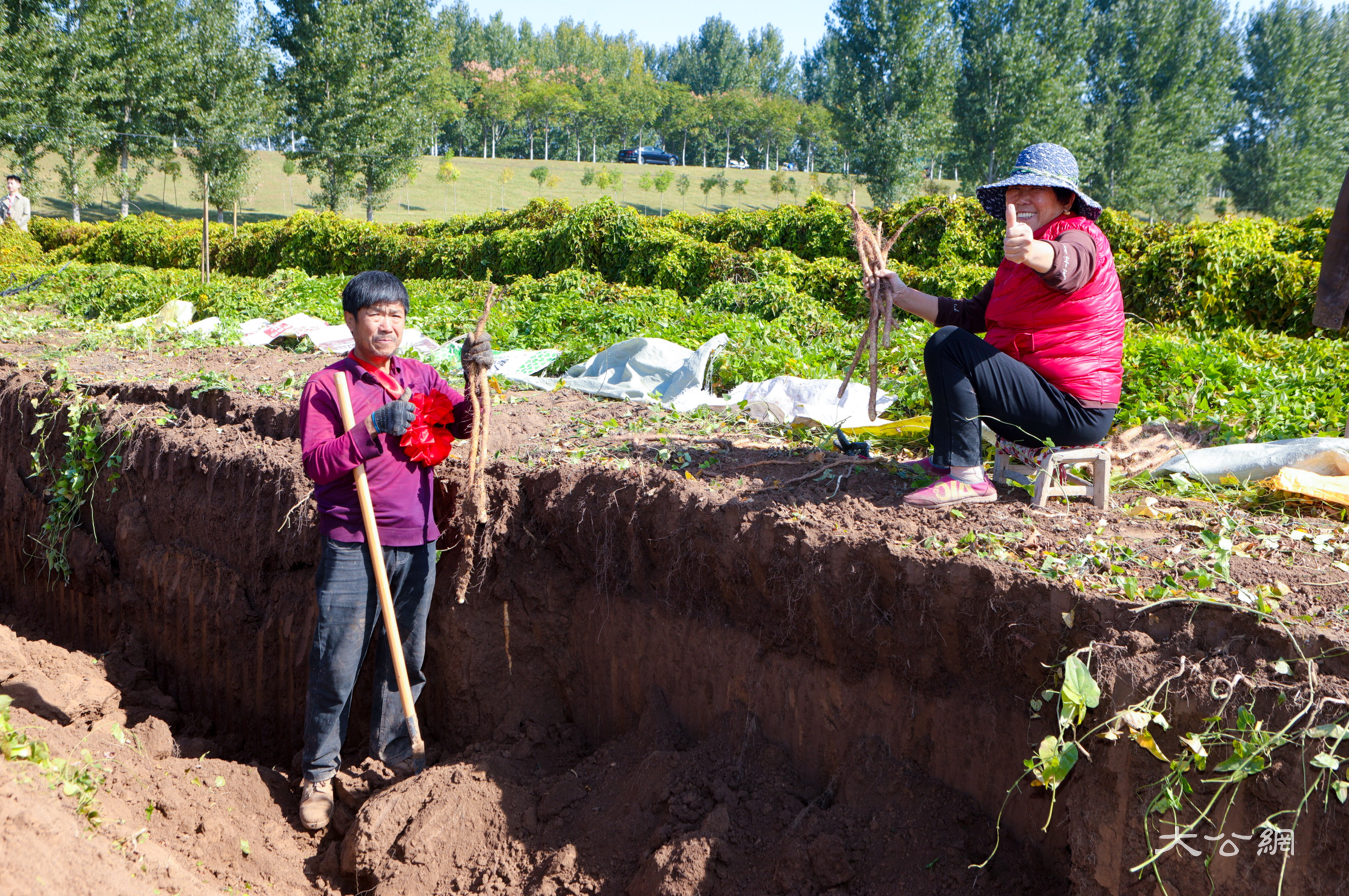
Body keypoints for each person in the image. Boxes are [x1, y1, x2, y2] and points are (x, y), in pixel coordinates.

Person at [295, 270, 493, 830]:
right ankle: (318, 772)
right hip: (354, 541)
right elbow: (317, 464)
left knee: (405, 656)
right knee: (337, 659)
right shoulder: (328, 386)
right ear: (352, 321)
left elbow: (466, 423)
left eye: (397, 315)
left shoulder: (421, 376)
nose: (388, 324)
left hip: (418, 538)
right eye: (376, 314)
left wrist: (473, 375)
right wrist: (372, 428)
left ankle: (395, 753)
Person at [873, 143, 1124, 508]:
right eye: (1015, 189)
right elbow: (970, 315)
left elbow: (1066, 266)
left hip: (1075, 409)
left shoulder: (1082, 236)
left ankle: (969, 478)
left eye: (1034, 189)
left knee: (950, 345)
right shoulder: (1014, 264)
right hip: (1035, 401)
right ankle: (947, 459)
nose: (1021, 198)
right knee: (950, 341)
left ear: (1066, 200)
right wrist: (900, 293)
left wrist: (1031, 252)